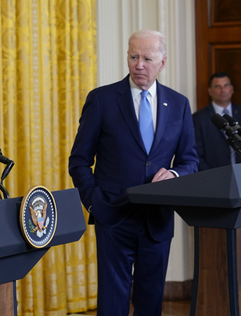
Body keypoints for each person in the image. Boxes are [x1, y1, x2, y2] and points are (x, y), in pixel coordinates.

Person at [68, 30, 198, 316]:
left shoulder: (179, 104)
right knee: (112, 303)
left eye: (147, 58)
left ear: (162, 62)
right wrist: (94, 201)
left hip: (157, 218)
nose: (139, 64)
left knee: (150, 302)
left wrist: (174, 175)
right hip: (113, 215)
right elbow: (78, 160)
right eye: (133, 57)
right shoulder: (101, 100)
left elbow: (190, 160)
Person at [192, 72, 241, 170]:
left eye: (226, 85)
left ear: (232, 89)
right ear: (210, 91)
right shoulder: (198, 118)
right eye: (217, 86)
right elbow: (197, 155)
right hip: (214, 178)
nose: (223, 90)